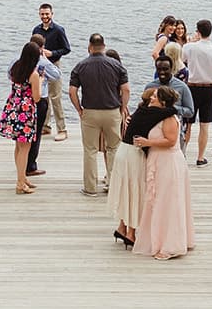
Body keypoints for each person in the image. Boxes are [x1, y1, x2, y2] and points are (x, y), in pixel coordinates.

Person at [133, 84, 195, 260]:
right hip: (158, 160)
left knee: (168, 202)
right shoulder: (159, 115)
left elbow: (171, 140)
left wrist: (147, 143)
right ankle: (158, 238)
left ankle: (170, 245)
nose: (151, 98)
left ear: (163, 101)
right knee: (158, 200)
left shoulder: (169, 118)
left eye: (155, 97)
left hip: (169, 162)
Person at [112, 79, 175, 249]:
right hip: (133, 154)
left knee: (127, 191)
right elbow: (172, 111)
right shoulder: (153, 112)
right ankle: (131, 233)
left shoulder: (141, 112)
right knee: (135, 192)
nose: (153, 99)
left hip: (123, 151)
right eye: (153, 97)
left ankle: (122, 227)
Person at [68, 33, 130, 196]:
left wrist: (79, 109)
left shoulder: (80, 66)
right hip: (112, 111)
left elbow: (72, 91)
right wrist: (123, 108)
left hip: (90, 112)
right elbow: (126, 90)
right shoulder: (116, 66)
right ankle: (113, 184)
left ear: (90, 46)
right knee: (113, 148)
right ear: (104, 46)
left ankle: (90, 188)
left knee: (90, 150)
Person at [182, 19, 212, 166]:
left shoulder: (189, 47)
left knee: (188, 124)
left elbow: (181, 62)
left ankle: (183, 153)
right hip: (209, 88)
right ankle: (200, 157)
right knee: (204, 126)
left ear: (198, 31)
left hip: (191, 87)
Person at [0, 41, 44, 193]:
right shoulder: (34, 74)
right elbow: (37, 98)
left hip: (13, 108)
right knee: (25, 148)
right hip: (25, 112)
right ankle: (19, 183)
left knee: (18, 146)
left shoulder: (16, 67)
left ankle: (22, 177)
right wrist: (41, 81)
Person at [32, 3, 71, 139]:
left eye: (47, 14)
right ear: (39, 14)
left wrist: (52, 53)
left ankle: (62, 129)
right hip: (40, 66)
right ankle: (45, 126)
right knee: (43, 97)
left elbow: (66, 49)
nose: (45, 16)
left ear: (52, 14)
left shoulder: (59, 30)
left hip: (53, 65)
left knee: (56, 97)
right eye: (42, 14)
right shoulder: (36, 29)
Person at [26, 33, 60, 178]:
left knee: (25, 134)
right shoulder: (42, 62)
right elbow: (57, 75)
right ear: (41, 48)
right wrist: (46, 59)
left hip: (24, 101)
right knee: (36, 133)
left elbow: (10, 73)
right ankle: (31, 165)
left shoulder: (19, 60)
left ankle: (22, 162)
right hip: (39, 100)